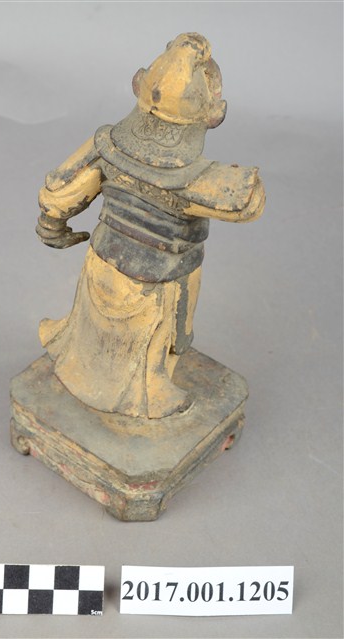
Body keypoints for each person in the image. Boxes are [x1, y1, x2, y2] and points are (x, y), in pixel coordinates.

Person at [35, 33, 265, 419]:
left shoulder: (106, 146)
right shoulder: (199, 179)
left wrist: (52, 227)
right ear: (214, 113)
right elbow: (248, 202)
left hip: (102, 262)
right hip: (162, 284)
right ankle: (149, 399)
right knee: (157, 353)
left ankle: (84, 374)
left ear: (138, 84)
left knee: (89, 339)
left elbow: (58, 191)